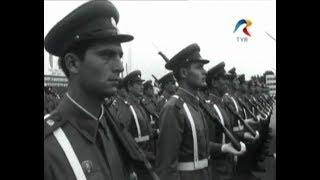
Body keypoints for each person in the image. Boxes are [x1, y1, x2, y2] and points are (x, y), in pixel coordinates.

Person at [44, 1, 144, 179]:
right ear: (73, 63)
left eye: (120, 56)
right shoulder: (48, 145)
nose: (120, 67)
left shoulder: (114, 129)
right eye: (107, 55)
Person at [155, 43, 211, 180]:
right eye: (199, 67)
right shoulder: (173, 108)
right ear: (184, 72)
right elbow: (167, 167)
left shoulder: (195, 104)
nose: (205, 72)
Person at [204, 62, 247, 180]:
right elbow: (206, 143)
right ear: (213, 82)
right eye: (224, 79)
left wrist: (243, 135)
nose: (228, 82)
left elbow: (229, 131)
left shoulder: (222, 104)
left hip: (228, 162)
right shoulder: (209, 108)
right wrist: (224, 148)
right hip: (217, 167)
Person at [119, 70, 156, 180]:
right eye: (138, 84)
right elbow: (123, 140)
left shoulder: (139, 106)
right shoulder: (125, 108)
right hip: (137, 163)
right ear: (129, 87)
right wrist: (130, 169)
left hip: (148, 159)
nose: (142, 87)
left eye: (141, 84)